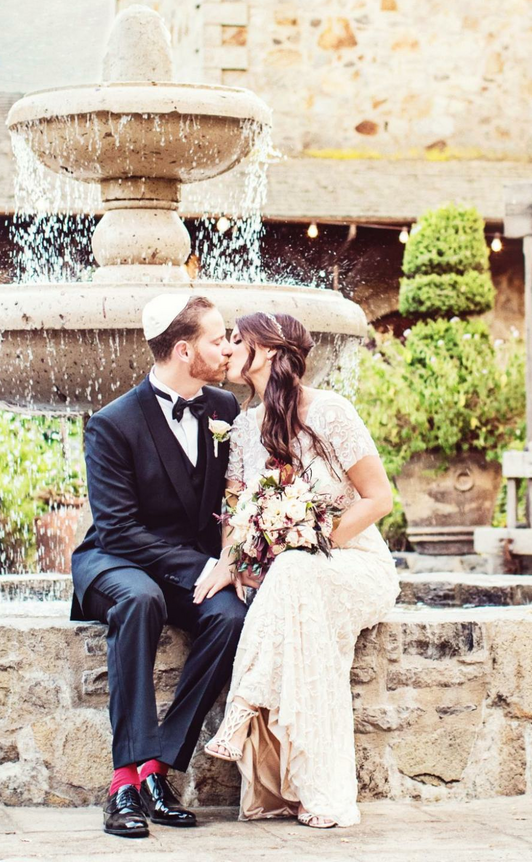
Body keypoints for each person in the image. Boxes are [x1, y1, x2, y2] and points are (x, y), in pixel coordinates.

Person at [195, 311, 399, 829]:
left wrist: (312, 540)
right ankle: (313, 791)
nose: (227, 350)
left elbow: (379, 499)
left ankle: (242, 709)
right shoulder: (243, 427)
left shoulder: (330, 411)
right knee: (294, 584)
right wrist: (233, 564)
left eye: (236, 341)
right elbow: (236, 506)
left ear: (264, 350)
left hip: (355, 562)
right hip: (295, 573)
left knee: (293, 570)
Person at [71, 293, 246, 840]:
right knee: (139, 598)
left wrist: (231, 561)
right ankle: (122, 782)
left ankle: (157, 768)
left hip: (186, 567)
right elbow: (118, 529)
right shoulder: (112, 423)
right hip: (115, 561)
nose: (229, 347)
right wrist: (206, 565)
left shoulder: (224, 409)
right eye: (218, 339)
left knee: (231, 617)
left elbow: (235, 499)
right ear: (184, 350)